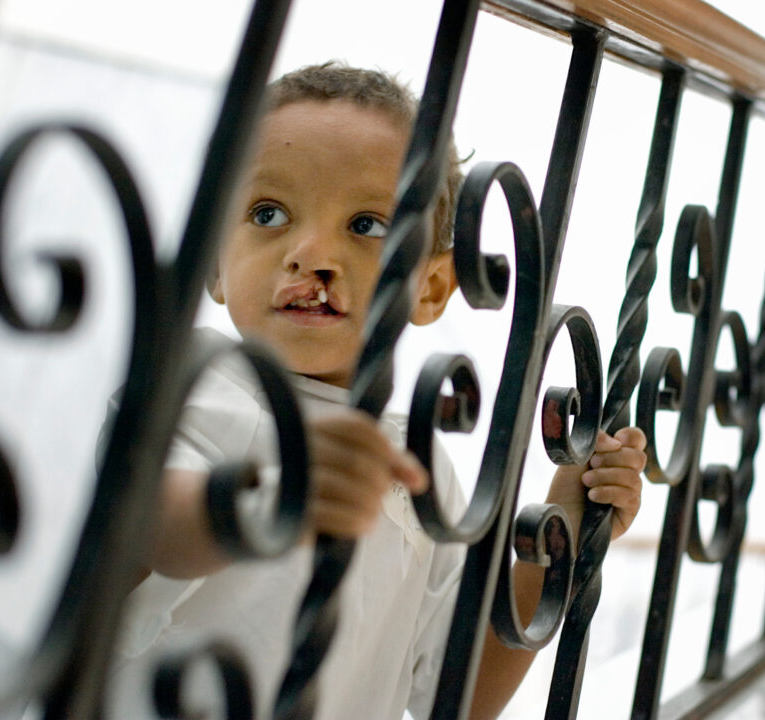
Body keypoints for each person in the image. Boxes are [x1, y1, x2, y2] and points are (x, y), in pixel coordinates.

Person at [107, 62, 647, 720]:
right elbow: (136, 523)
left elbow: (461, 692)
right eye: (268, 213)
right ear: (217, 260)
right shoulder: (194, 382)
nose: (311, 253)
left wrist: (564, 526)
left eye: (366, 226)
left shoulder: (418, 469)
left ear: (432, 287)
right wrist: (275, 498)